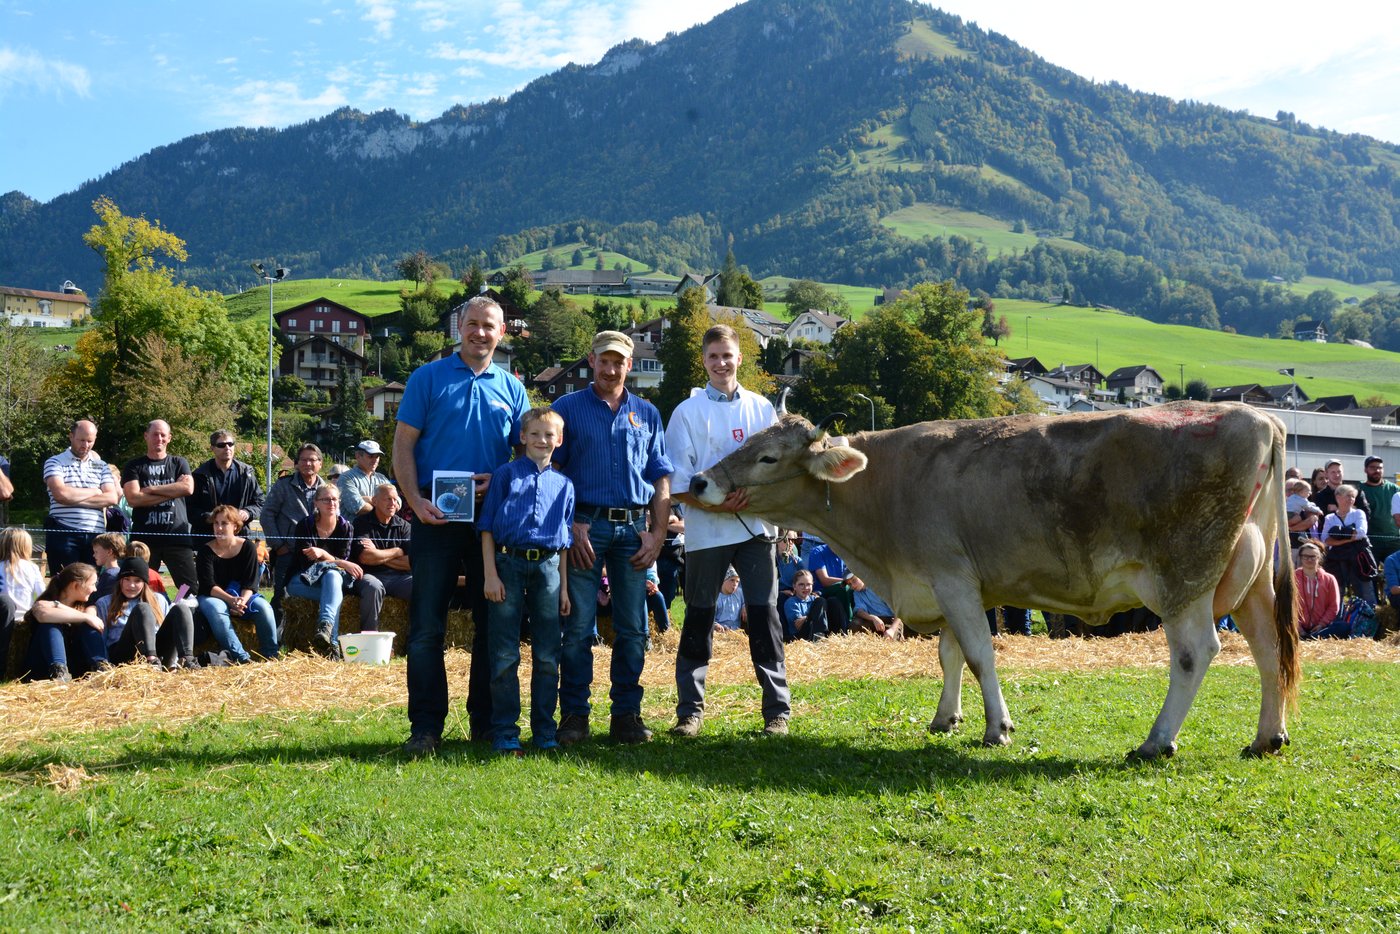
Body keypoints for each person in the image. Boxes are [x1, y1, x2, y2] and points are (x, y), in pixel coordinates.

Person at [393, 295, 530, 756]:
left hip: (491, 524)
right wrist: (414, 501)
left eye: (489, 326)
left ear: (501, 332)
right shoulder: (426, 378)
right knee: (426, 627)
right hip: (436, 518)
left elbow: (527, 454)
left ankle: (486, 724)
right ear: (458, 328)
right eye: (472, 324)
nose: (480, 333)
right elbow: (403, 447)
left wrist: (505, 478)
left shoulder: (512, 388)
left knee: (491, 624)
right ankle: (426, 728)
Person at [665, 324, 791, 738]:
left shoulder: (760, 408)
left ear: (740, 358)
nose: (721, 363)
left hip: (756, 528)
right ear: (704, 361)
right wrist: (716, 502)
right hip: (705, 532)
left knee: (765, 616)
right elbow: (678, 481)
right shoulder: (687, 412)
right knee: (699, 618)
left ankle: (777, 712)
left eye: (727, 355)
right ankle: (690, 712)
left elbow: (778, 471)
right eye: (713, 356)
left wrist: (750, 501)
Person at [551, 329, 673, 746]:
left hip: (634, 532)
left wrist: (657, 535)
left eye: (618, 361)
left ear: (630, 364)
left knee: (635, 628)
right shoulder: (566, 409)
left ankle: (626, 715)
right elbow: (550, 471)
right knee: (580, 627)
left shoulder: (647, 413)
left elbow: (660, 478)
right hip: (585, 526)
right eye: (604, 360)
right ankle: (574, 717)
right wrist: (570, 522)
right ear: (591, 360)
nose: (610, 368)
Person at [479, 406, 575, 755]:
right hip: (508, 564)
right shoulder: (505, 475)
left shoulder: (564, 485)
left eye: (549, 435)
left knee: (548, 654)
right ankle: (506, 731)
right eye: (534, 434)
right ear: (522, 437)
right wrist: (491, 574)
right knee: (504, 653)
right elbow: (487, 527)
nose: (541, 440)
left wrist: (563, 587)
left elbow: (565, 541)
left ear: (559, 440)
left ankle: (545, 731)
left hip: (548, 569)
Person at [285, 486, 365, 656]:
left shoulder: (346, 527)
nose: (331, 503)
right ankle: (333, 644)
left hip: (333, 581)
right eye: (326, 500)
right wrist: (339, 561)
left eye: (335, 499)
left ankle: (326, 630)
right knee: (332, 593)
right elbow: (306, 561)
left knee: (332, 576)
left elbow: (338, 564)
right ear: (316, 503)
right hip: (302, 581)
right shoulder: (305, 525)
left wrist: (323, 554)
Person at [121, 419, 198, 593]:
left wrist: (151, 489)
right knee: (140, 585)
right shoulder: (134, 466)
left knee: (188, 588)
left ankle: (175, 609)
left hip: (177, 537)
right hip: (144, 539)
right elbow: (133, 499)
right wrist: (173, 490)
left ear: (169, 438)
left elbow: (187, 488)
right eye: (155, 434)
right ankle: (148, 615)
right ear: (146, 436)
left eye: (163, 435)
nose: (159, 438)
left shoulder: (179, 463)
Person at [196, 504, 279, 663]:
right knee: (217, 610)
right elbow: (208, 585)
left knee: (265, 608)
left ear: (235, 526)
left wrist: (241, 602)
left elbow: (251, 582)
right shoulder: (205, 551)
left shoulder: (247, 547)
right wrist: (230, 600)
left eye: (224, 523)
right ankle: (242, 657)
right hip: (213, 596)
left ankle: (271, 657)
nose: (219, 528)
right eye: (216, 523)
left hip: (242, 596)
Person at [43, 420, 118, 573]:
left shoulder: (101, 465)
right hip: (64, 532)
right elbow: (61, 495)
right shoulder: (55, 462)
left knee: (92, 586)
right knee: (64, 584)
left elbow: (112, 498)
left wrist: (74, 496)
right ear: (71, 436)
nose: (85, 445)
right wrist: (95, 491)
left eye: (90, 441)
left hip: (95, 535)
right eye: (81, 440)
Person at [95, 556, 197, 670]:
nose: (131, 585)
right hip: (124, 655)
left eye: (137, 581)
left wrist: (172, 665)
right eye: (127, 579)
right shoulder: (105, 602)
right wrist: (103, 665)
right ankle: (151, 661)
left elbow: (170, 631)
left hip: (158, 654)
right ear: (120, 581)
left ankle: (187, 660)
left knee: (181, 609)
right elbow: (101, 639)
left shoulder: (159, 599)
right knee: (142, 609)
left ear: (144, 582)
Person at [263, 443, 328, 614]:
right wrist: (279, 546)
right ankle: (274, 639)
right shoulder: (283, 485)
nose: (308, 464)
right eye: (303, 460)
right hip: (287, 552)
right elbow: (266, 515)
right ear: (296, 464)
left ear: (320, 463)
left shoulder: (326, 490)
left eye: (312, 460)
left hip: (316, 553)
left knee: (317, 594)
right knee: (281, 597)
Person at [24, 563, 106, 681]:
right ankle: (59, 672)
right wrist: (84, 617)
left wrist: (58, 606)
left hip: (76, 669)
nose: (95, 589)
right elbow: (44, 615)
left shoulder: (89, 606)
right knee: (51, 623)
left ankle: (102, 668)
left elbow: (91, 618)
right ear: (76, 585)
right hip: (43, 669)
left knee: (89, 625)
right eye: (92, 584)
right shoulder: (44, 603)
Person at [351, 484, 414, 624]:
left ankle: (415, 640)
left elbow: (411, 562)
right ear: (374, 501)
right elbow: (366, 558)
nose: (393, 503)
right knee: (373, 588)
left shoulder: (405, 526)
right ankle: (370, 637)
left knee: (421, 585)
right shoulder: (361, 523)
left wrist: (378, 555)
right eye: (388, 499)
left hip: (399, 577)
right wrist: (397, 551)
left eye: (395, 499)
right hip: (369, 575)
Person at [189, 429, 264, 540]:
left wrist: (248, 512)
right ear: (212, 448)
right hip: (208, 538)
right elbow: (189, 508)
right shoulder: (200, 475)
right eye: (221, 445)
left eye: (230, 444)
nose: (227, 448)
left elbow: (260, 502)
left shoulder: (246, 473)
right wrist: (209, 517)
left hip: (239, 537)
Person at [1320, 484, 1377, 605]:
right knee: (1337, 590)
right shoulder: (1330, 517)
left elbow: (1361, 533)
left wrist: (1337, 535)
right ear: (1338, 497)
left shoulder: (1358, 513)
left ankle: (1370, 620)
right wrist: (1350, 535)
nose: (1351, 499)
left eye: (1353, 497)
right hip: (1337, 558)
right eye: (1348, 496)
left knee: (1365, 590)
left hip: (1359, 556)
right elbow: (1325, 539)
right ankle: (1336, 621)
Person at [808, 540, 864, 636]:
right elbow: (824, 580)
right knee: (844, 587)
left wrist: (854, 582)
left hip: (840, 590)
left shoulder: (846, 553)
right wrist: (848, 582)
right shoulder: (817, 552)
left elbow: (852, 575)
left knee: (856, 586)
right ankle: (848, 624)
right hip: (822, 592)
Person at [1295, 541, 1345, 638]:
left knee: (1343, 627)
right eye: (1305, 556)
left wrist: (1322, 624)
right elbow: (1286, 605)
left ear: (1319, 558)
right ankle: (1305, 637)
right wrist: (1298, 627)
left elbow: (1334, 606)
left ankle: (1312, 637)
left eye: (1313, 556)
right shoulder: (1291, 578)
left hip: (1322, 628)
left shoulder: (1329, 579)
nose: (1309, 559)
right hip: (1296, 627)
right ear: (1300, 557)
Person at [1359, 456, 1400, 565]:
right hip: (1371, 541)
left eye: (1379, 468)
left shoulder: (1394, 489)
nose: (1377, 470)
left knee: (1396, 574)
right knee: (1370, 575)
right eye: (1372, 467)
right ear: (1365, 469)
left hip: (1394, 540)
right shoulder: (1359, 489)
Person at [338, 440, 391, 519]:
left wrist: (369, 500)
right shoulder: (346, 478)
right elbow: (357, 507)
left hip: (378, 530)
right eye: (370, 456)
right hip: (356, 530)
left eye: (377, 456)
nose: (375, 460)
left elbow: (397, 502)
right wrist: (384, 507)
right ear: (358, 456)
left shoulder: (382, 479)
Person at [781, 569, 827, 641]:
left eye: (808, 584)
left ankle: (841, 634)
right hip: (801, 636)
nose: (806, 588)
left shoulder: (814, 599)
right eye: (801, 584)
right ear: (794, 586)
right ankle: (818, 638)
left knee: (832, 601)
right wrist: (814, 614)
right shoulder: (791, 602)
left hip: (816, 628)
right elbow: (798, 625)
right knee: (820, 601)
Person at [90, 532, 127, 600]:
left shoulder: (109, 575)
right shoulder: (117, 572)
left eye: (96, 552)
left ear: (109, 552)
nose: (94, 555)